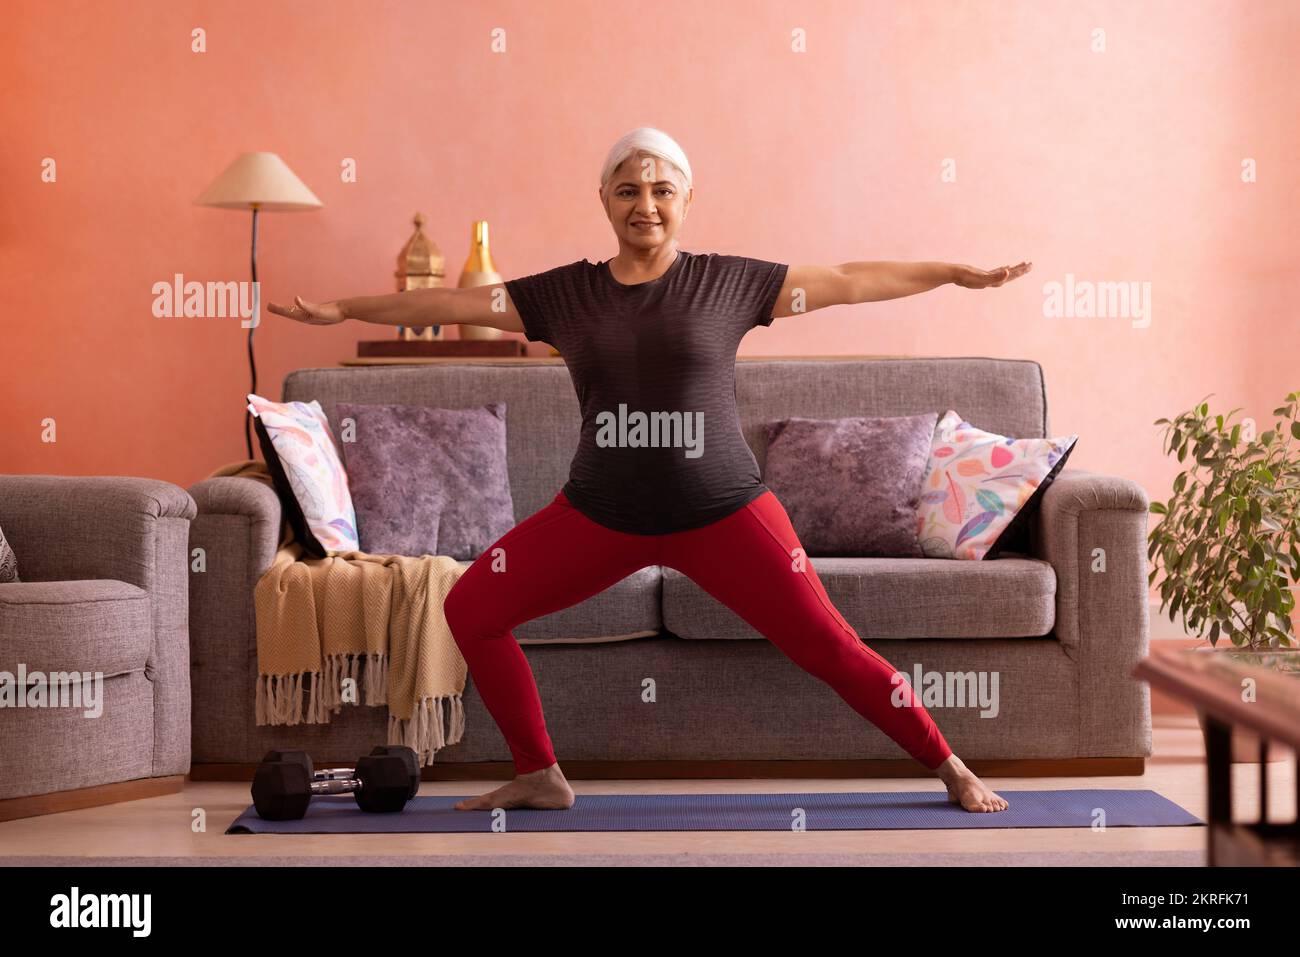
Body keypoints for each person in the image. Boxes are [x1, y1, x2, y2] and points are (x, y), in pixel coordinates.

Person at [269, 126, 1031, 813]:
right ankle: (541, 772)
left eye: (662, 190)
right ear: (604, 198)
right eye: (628, 189)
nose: (646, 205)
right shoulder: (563, 294)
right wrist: (344, 310)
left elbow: (849, 277)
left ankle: (948, 762)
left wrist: (951, 273)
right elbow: (453, 298)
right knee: (471, 606)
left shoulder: (731, 282)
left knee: (829, 645)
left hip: (726, 512)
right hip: (600, 515)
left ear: (687, 198)